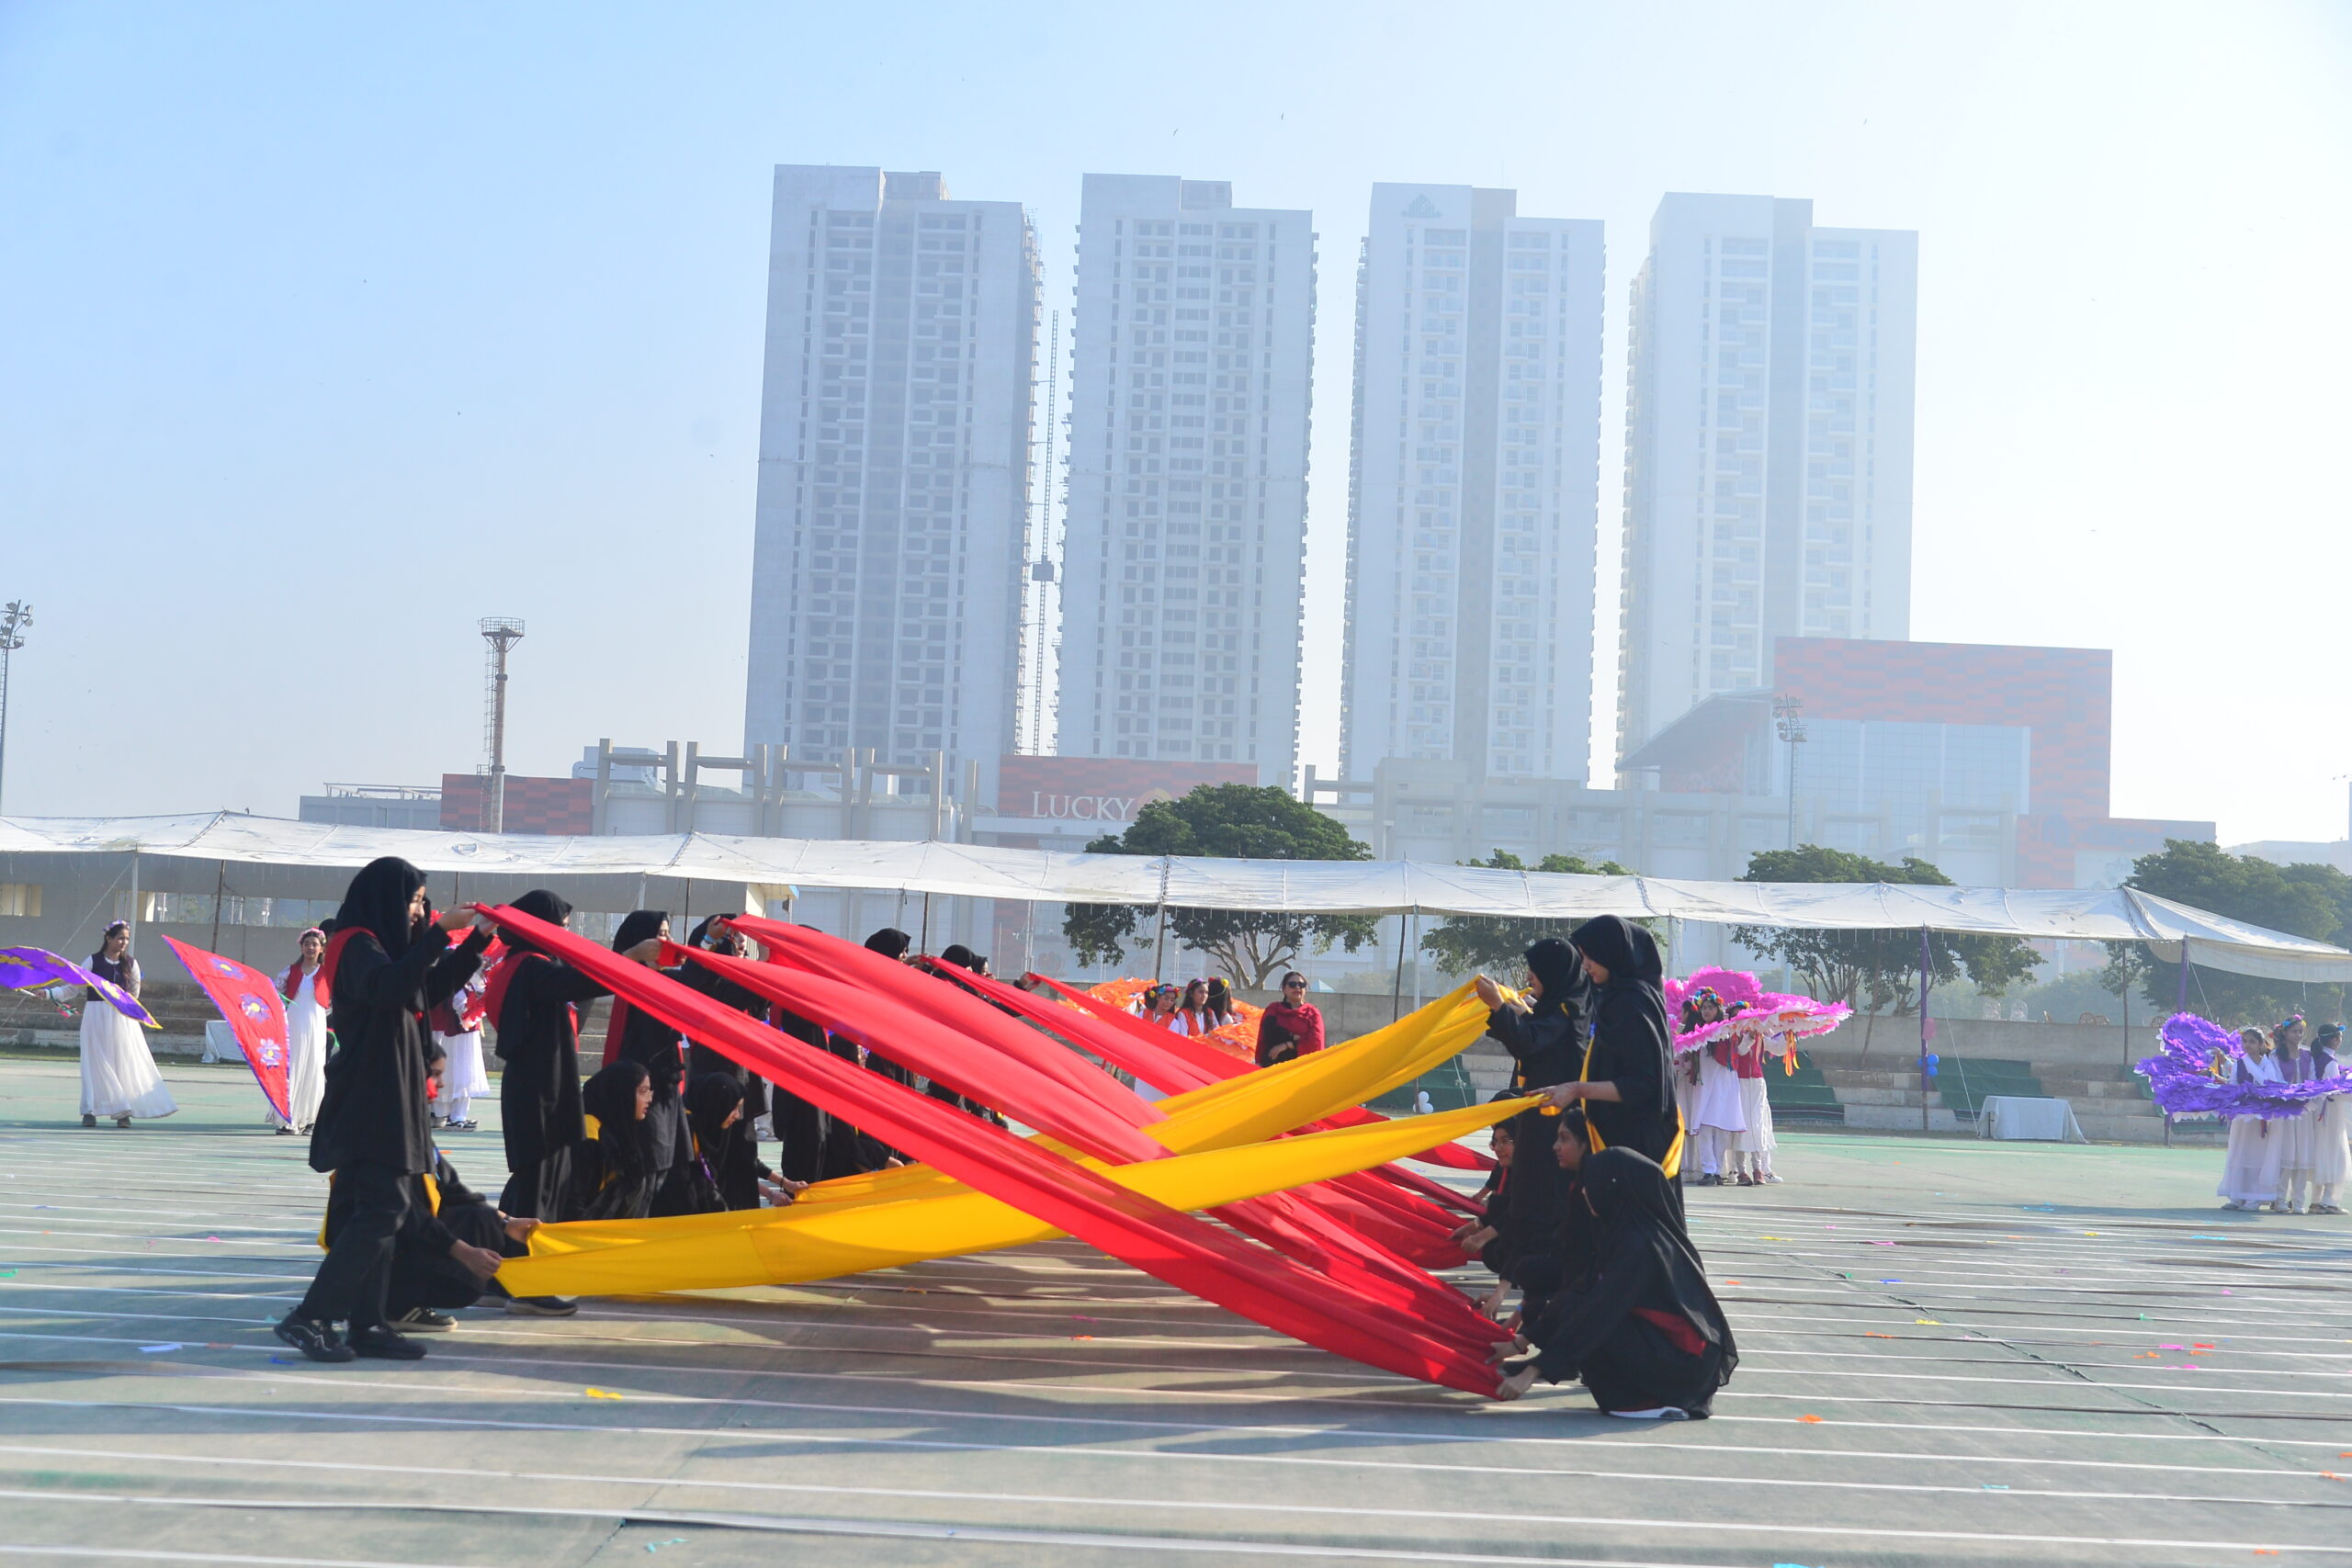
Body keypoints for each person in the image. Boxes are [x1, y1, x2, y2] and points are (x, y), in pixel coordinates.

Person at [277, 857, 490, 1363]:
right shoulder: (355, 945)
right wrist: (438, 934)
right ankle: (310, 1317)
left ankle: (367, 1323)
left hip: (387, 1096)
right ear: (386, 899)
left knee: (374, 1211)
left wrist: (476, 942)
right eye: (414, 901)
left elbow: (424, 989)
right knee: (385, 1209)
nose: (418, 912)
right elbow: (390, 987)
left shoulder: (381, 950)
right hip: (371, 1100)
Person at [1496, 1147, 1737, 1417]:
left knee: (1589, 1319)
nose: (1585, 1191)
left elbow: (1599, 1310)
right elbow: (1579, 1291)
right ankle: (1638, 1395)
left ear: (1612, 1188)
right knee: (1568, 1305)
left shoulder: (1641, 1245)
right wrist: (1519, 1342)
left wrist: (1534, 1370)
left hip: (1681, 1363)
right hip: (1665, 1348)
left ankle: (1651, 1401)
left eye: (1592, 1183)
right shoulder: (1622, 1232)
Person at [352, 1039, 537, 1333]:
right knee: (467, 1247)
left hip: (408, 1235)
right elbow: (408, 1212)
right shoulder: (384, 1131)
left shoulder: (413, 1126)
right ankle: (392, 1303)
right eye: (435, 1074)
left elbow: (454, 1191)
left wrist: (507, 1223)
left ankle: (401, 1301)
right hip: (379, 1247)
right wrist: (463, 1252)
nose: (441, 1084)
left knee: (481, 1218)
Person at [486, 890, 609, 1223]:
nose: (565, 933)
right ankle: (515, 1242)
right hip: (538, 1088)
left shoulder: (527, 963)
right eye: (561, 926)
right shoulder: (530, 966)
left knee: (550, 1176)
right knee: (537, 1181)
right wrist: (627, 960)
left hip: (544, 1082)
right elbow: (577, 984)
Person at [1539, 917, 1681, 1190]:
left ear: (1612, 952)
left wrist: (1576, 1089)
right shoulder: (1622, 998)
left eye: (1590, 956)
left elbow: (1642, 1084)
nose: (1585, 965)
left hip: (1633, 1145)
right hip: (1621, 1140)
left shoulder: (1630, 1004)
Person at [605, 911, 700, 1216]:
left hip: (667, 1089)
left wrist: (711, 942)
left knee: (675, 1169)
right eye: (661, 933)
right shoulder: (630, 980)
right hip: (644, 1091)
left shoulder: (664, 978)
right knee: (649, 1171)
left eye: (668, 933)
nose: (667, 940)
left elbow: (700, 978)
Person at [76, 919, 176, 1129]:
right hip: (95, 1017)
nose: (124, 942)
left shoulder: (131, 964)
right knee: (94, 1064)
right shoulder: (93, 961)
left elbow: (134, 994)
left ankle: (123, 1111)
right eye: (120, 938)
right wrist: (50, 993)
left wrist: (122, 1006)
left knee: (122, 1062)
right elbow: (73, 986)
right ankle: (89, 1110)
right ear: (108, 938)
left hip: (122, 1019)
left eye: (127, 939)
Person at [686, 1071, 804, 1211]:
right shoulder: (687, 1137)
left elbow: (744, 1163)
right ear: (720, 1105)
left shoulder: (720, 1128)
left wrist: (783, 1185)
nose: (738, 1115)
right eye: (734, 1108)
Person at [571, 1059, 662, 1221]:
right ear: (621, 1093)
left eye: (650, 1091)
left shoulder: (621, 1132)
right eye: (643, 1091)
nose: (649, 1099)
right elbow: (576, 1202)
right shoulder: (590, 1137)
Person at [2218, 1025, 2288, 1213]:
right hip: (2242, 1116)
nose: (2247, 1045)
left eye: (2252, 1042)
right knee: (2239, 1153)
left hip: (2260, 1117)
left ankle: (2254, 1199)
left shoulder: (2268, 1063)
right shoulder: (2240, 1063)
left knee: (2257, 1157)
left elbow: (2268, 1084)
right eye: (2245, 1041)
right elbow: (2234, 1084)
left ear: (2261, 1044)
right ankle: (2236, 1196)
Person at [275, 928, 331, 1135]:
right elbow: (275, 993)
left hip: (316, 1025)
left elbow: (336, 998)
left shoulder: (327, 973)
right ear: (301, 947)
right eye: (307, 944)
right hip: (294, 1024)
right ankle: (288, 1119)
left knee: (314, 1069)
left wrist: (322, 1014)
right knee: (293, 1068)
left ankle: (311, 1120)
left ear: (321, 948)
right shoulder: (290, 971)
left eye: (314, 944)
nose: (310, 948)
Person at [428, 970, 490, 1132]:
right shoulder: (458, 982)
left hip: (452, 1029)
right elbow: (462, 1007)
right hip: (455, 1030)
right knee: (461, 1072)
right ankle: (452, 1115)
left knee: (455, 1072)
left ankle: (443, 1113)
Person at [2274, 1017, 2316, 1215]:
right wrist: (2290, 1093)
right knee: (2285, 1156)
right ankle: (2279, 1199)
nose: (2298, 1035)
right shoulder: (2275, 1056)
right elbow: (2273, 1081)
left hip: (2304, 1111)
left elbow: (2314, 1081)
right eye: (2294, 1031)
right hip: (2284, 1112)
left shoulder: (2308, 1055)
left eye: (2301, 1032)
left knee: (2302, 1157)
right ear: (2285, 1033)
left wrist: (2305, 1093)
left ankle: (2299, 1201)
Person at [2308, 1023, 2348, 1214]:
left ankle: (2316, 1201)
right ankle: (2329, 1201)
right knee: (2335, 1154)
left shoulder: (2315, 1058)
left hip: (2316, 1111)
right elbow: (2335, 1091)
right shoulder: (2330, 1062)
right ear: (2334, 1040)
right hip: (2329, 1112)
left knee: (2320, 1154)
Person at [1737, 1028, 1782, 1184]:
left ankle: (1760, 1169)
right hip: (1739, 1083)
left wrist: (1784, 1031)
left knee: (1759, 1126)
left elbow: (1780, 1049)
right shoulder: (1734, 1033)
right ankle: (1740, 1171)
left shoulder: (1761, 1037)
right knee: (1740, 1126)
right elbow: (1741, 1051)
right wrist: (1749, 1036)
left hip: (1757, 1084)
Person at [1256, 973, 1326, 1066]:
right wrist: (1294, 1037)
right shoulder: (1274, 1009)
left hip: (1302, 1067)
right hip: (1273, 1066)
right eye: (1292, 984)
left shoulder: (1312, 1013)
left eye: (1301, 985)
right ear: (1284, 988)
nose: (1297, 987)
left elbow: (1315, 1044)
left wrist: (1286, 1045)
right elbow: (1269, 1035)